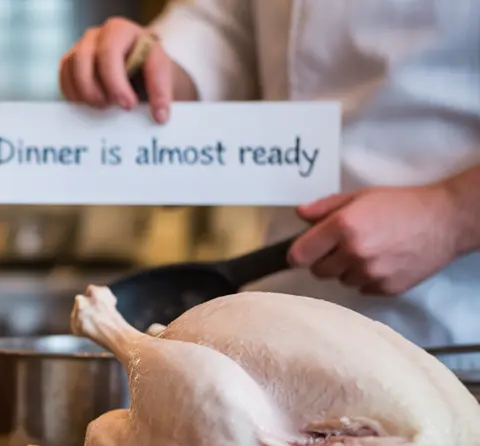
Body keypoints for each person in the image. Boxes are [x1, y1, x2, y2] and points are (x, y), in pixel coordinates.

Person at [58, 0, 480, 347]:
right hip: (289, 319)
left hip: (457, 323)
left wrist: (452, 214)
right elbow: (226, 21)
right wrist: (154, 67)